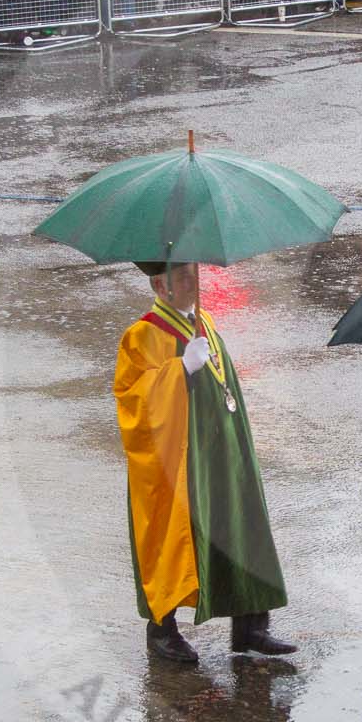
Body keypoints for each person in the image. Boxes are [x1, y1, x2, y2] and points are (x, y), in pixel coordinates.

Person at [115, 260, 294, 663]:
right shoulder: (142, 334)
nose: (192, 283)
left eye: (194, 274)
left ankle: (251, 625)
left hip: (218, 447)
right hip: (176, 457)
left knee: (238, 524)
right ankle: (162, 630)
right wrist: (179, 370)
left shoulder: (205, 323)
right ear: (160, 285)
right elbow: (132, 402)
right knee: (171, 538)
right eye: (182, 277)